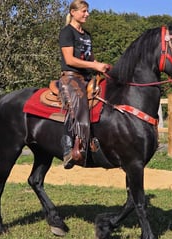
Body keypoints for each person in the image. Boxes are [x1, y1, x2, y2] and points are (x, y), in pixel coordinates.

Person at [59, 0, 110, 169]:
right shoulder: (67, 32)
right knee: (78, 103)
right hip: (72, 77)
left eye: (87, 11)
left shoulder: (87, 35)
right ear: (73, 12)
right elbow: (69, 59)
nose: (87, 14)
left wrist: (102, 67)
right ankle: (68, 148)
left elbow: (90, 58)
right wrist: (95, 66)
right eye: (84, 11)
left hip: (88, 77)